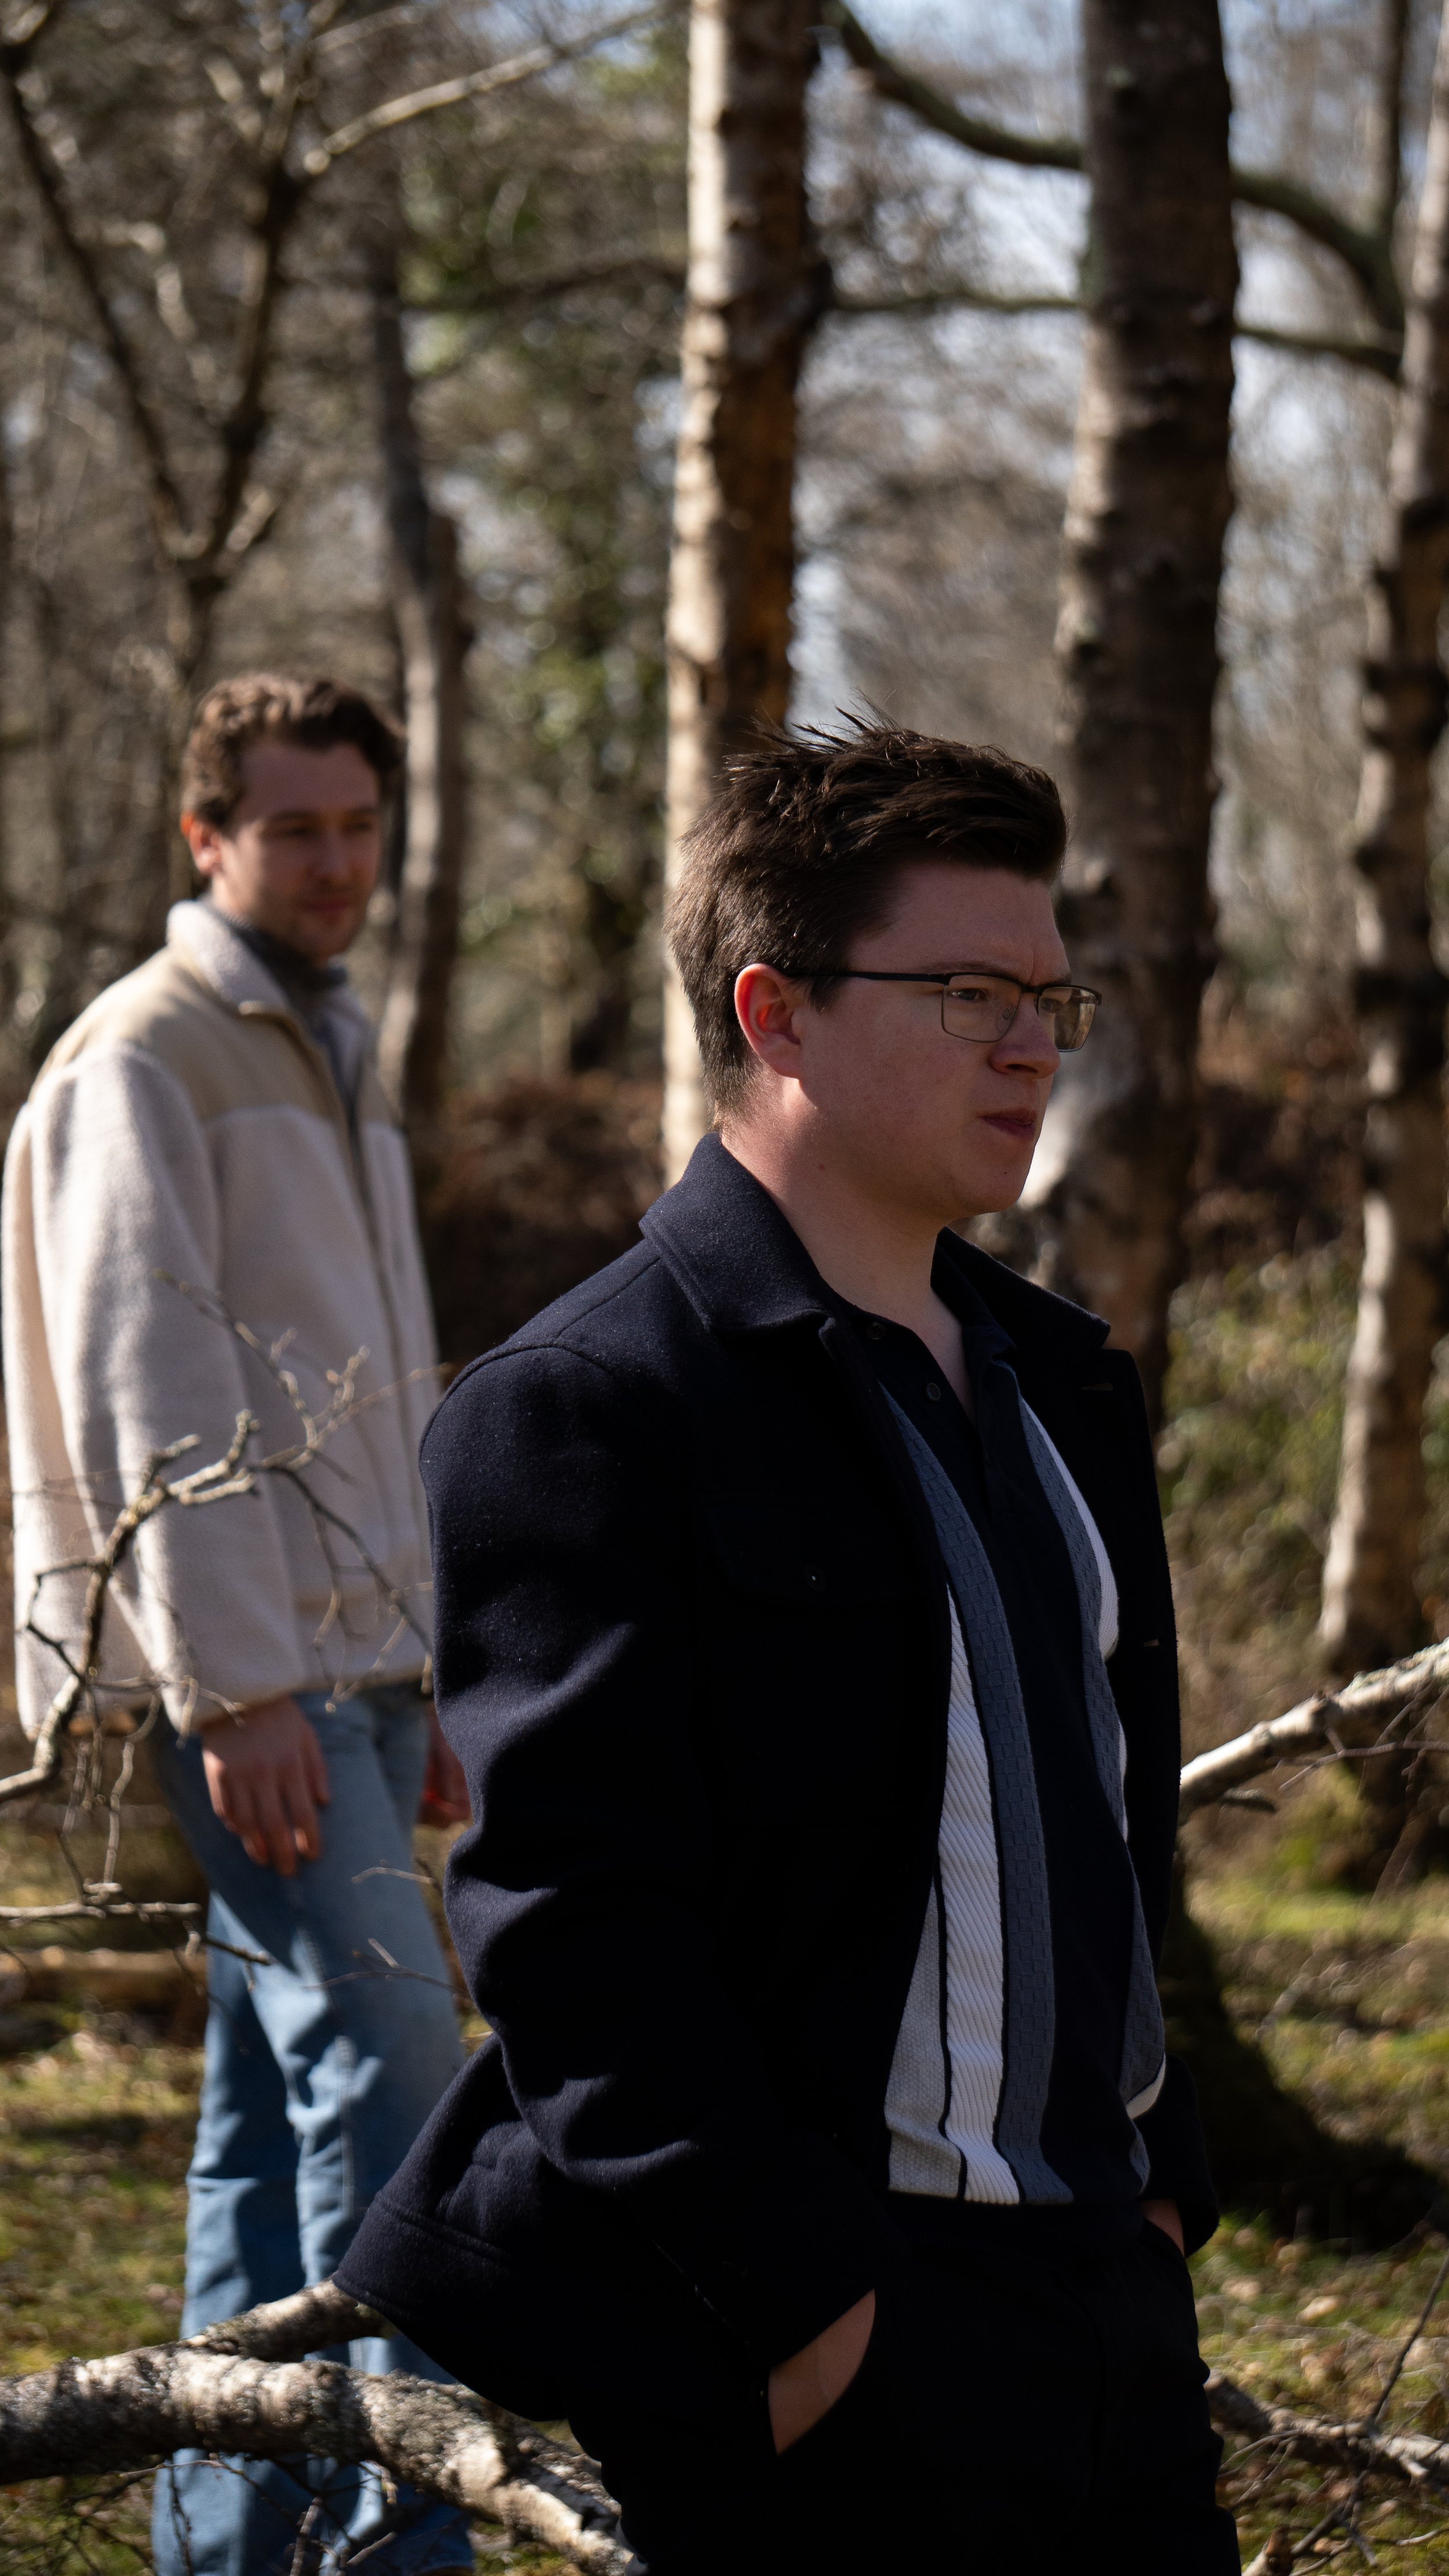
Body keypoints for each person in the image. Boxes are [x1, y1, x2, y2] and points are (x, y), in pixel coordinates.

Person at [337, 718, 1239, 2575]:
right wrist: (801, 2304)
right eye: (971, 990)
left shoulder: (1064, 1380)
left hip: (1104, 2296)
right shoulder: (586, 1402)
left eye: (1050, 999)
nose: (1028, 1045)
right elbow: (571, 1931)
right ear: (776, 1013)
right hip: (837, 2323)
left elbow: (1116, 1823)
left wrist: (1158, 2196)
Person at [3, 674, 474, 2576]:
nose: (338, 863)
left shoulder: (332, 1045)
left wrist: (431, 1661)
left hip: (363, 1666)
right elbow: (153, 1388)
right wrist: (239, 1687)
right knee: (397, 2076)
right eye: (296, 830)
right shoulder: (148, 1054)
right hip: (260, 1682)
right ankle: (397, 2534)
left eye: (361, 826)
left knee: (268, 2120)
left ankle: (231, 2546)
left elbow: (384, 1394)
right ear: (206, 838)